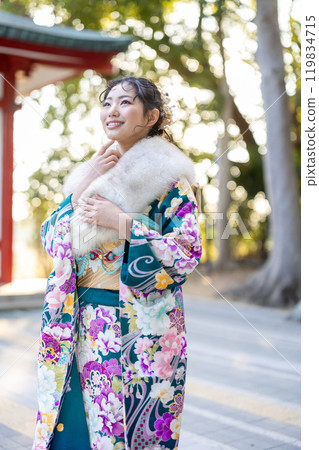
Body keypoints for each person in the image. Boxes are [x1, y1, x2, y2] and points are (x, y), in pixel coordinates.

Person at [32, 76, 202, 450]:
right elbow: (52, 240)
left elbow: (186, 252)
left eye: (125, 103)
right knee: (74, 421)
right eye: (107, 102)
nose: (112, 110)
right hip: (77, 318)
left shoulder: (170, 180)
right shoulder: (92, 169)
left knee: (124, 424)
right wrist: (85, 183)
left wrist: (122, 222)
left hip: (135, 323)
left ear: (151, 116)